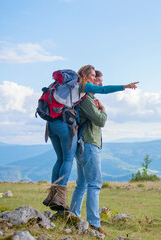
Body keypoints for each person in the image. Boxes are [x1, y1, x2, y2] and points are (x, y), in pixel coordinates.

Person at [43, 65, 138, 211]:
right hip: (64, 125)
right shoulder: (82, 86)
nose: (94, 79)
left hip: (51, 123)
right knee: (67, 160)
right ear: (86, 75)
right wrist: (125, 86)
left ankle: (51, 195)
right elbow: (104, 89)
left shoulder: (68, 86)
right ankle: (59, 198)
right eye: (93, 76)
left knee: (59, 160)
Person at [69, 70, 116, 235]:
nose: (100, 84)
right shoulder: (86, 98)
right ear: (89, 80)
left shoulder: (81, 97)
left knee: (81, 184)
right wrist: (102, 109)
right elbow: (100, 121)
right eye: (97, 80)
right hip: (89, 144)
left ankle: (73, 218)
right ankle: (94, 223)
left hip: (82, 144)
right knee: (94, 184)